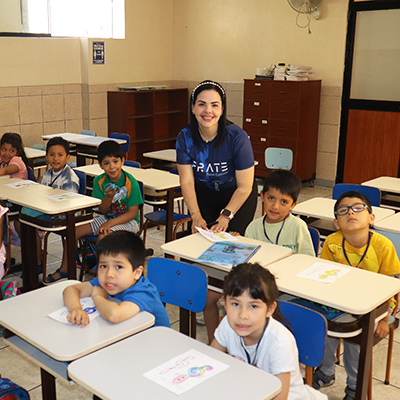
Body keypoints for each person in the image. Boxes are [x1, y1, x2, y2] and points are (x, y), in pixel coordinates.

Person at [204, 169, 314, 343]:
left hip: (288, 288)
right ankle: (221, 341)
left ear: (293, 205)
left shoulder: (298, 227)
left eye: (284, 202)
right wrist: (239, 242)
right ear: (262, 196)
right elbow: (249, 260)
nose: (275, 206)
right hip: (257, 285)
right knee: (216, 296)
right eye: (271, 198)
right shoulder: (253, 227)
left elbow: (309, 261)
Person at [312, 191, 400, 400]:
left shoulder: (383, 246)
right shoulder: (332, 242)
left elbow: (393, 286)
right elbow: (326, 277)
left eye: (358, 208)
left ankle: (354, 386)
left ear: (371, 217)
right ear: (336, 222)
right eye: (343, 210)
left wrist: (384, 318)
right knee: (325, 328)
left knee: (355, 341)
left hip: (377, 306)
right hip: (340, 302)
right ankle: (326, 372)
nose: (351, 211)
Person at [211, 263, 327, 400]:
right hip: (252, 391)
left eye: (253, 306)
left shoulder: (281, 343)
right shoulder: (228, 324)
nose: (243, 315)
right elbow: (210, 360)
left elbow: (280, 397)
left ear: (270, 309)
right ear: (224, 303)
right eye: (235, 304)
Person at [44, 140, 143, 284]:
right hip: (107, 217)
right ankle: (65, 269)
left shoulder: (130, 182)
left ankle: (101, 276)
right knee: (72, 231)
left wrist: (110, 223)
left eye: (115, 161)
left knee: (103, 237)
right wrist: (108, 197)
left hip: (129, 222)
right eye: (107, 163)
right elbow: (102, 210)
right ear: (100, 165)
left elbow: (133, 213)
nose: (112, 167)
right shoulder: (99, 181)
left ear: (122, 161)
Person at [176, 80, 257, 236]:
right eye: (201, 104)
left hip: (237, 194)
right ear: (193, 108)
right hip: (204, 195)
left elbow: (245, 187)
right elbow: (186, 180)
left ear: (222, 109)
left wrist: (226, 215)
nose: (208, 111)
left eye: (214, 105)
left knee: (231, 243)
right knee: (201, 240)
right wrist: (195, 215)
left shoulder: (237, 137)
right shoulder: (185, 137)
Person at [63, 231, 170, 327]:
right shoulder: (108, 282)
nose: (109, 274)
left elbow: (114, 315)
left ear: (137, 273)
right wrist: (76, 309)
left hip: (154, 345)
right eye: (103, 266)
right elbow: (70, 290)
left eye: (119, 267)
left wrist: (98, 296)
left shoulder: (143, 292)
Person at [18, 136, 80, 275]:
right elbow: (41, 193)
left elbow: (70, 202)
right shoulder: (47, 174)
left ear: (68, 157)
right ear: (46, 157)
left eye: (60, 155)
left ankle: (63, 268)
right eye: (51, 155)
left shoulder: (70, 177)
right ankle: (37, 260)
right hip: (50, 211)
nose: (55, 159)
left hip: (65, 214)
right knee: (23, 217)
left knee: (28, 219)